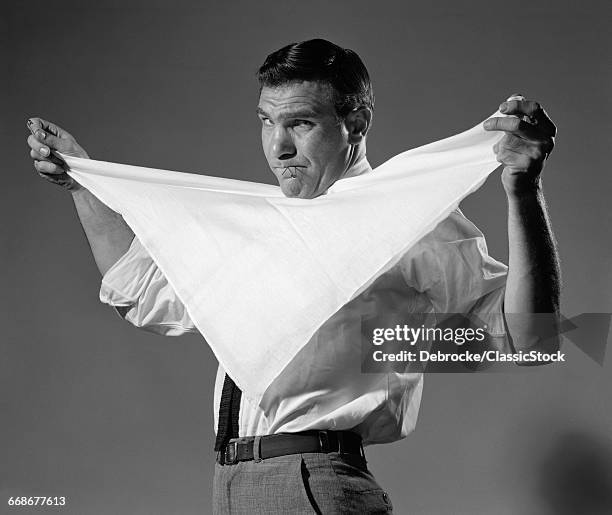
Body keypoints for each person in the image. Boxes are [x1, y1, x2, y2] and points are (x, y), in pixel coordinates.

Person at [26, 38, 560, 514]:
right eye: (266, 121)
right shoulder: (265, 226)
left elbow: (527, 338)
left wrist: (522, 189)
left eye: (300, 123)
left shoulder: (406, 220)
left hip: (311, 484)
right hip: (233, 483)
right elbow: (142, 295)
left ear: (356, 123)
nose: (278, 147)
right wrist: (82, 186)